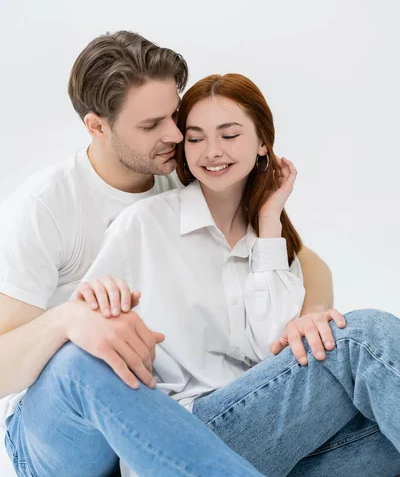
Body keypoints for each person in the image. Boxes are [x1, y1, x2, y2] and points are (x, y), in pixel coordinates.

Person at [0, 32, 333, 477]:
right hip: (57, 432)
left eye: (174, 115)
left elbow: (305, 260)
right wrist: (69, 321)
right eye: (151, 125)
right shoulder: (46, 206)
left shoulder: (185, 175)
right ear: (97, 126)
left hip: (157, 417)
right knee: (81, 358)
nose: (176, 134)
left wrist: (310, 313)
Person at [70, 73, 400, 477]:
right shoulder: (144, 225)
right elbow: (81, 337)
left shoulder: (271, 242)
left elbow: (274, 348)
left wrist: (268, 220)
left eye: (229, 135)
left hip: (261, 446)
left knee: (387, 441)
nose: (212, 151)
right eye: (195, 138)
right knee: (362, 338)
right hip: (183, 438)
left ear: (263, 143)